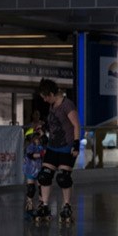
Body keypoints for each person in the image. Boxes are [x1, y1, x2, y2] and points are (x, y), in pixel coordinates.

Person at [35, 78, 81, 223]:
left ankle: (67, 206)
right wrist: (44, 130)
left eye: (44, 97)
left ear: (50, 94)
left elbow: (76, 125)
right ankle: (45, 206)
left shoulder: (67, 105)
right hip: (52, 147)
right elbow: (55, 124)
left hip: (67, 147)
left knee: (63, 178)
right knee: (44, 176)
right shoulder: (52, 105)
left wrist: (76, 144)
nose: (44, 100)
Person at [23, 129, 44, 216]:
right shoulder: (29, 147)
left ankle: (41, 205)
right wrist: (41, 154)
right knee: (31, 189)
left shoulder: (40, 146)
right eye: (36, 138)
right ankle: (29, 205)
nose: (38, 139)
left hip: (39, 170)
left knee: (41, 189)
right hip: (30, 170)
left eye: (38, 138)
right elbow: (31, 155)